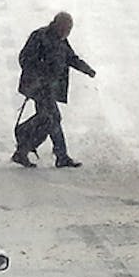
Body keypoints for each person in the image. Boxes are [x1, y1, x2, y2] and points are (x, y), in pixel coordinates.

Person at [12, 11, 96, 169]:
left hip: (48, 87)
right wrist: (38, 74)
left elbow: (71, 58)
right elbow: (24, 58)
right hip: (37, 87)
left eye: (69, 29)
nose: (67, 32)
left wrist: (87, 69)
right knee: (51, 118)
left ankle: (24, 147)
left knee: (48, 119)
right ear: (56, 24)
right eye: (65, 28)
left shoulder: (61, 41)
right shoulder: (40, 36)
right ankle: (57, 155)